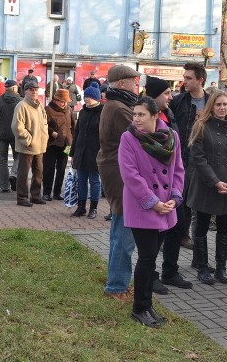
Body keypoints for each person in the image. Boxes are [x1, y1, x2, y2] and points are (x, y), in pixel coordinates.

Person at [119, 96, 185, 327]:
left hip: (166, 206)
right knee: (147, 257)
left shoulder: (172, 137)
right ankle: (139, 308)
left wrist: (175, 198)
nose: (136, 119)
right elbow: (130, 176)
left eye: (141, 115)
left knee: (152, 257)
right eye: (134, 114)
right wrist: (152, 201)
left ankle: (147, 305)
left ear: (155, 116)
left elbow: (178, 170)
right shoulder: (128, 138)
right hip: (143, 206)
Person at [187, 91, 227, 285]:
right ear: (211, 106)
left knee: (223, 228)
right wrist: (215, 182)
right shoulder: (201, 126)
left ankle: (221, 267)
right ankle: (202, 267)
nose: (222, 108)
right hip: (205, 185)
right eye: (218, 104)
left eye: (224, 104)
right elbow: (199, 159)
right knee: (201, 227)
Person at [144, 75, 192, 290]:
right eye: (166, 93)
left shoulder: (169, 115)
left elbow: (177, 153)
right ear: (155, 97)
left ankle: (170, 271)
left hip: (172, 185)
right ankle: (151, 275)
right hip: (154, 187)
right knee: (155, 234)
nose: (170, 96)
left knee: (177, 227)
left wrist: (177, 188)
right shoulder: (145, 121)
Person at [97, 64, 141, 299]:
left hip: (113, 169)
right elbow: (139, 138)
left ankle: (117, 281)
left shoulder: (115, 104)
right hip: (119, 172)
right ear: (122, 83)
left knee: (119, 228)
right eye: (134, 81)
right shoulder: (120, 108)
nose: (137, 86)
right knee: (124, 233)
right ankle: (116, 286)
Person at [168, 62, 210, 246]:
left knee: (200, 202)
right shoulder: (178, 101)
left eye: (188, 78)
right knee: (181, 198)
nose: (184, 81)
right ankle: (180, 235)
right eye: (184, 77)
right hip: (182, 158)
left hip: (204, 159)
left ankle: (198, 245)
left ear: (200, 80)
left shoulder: (212, 102)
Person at [12, 78, 49, 207]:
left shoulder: (39, 106)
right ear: (25, 91)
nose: (34, 92)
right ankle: (22, 197)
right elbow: (17, 127)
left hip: (39, 145)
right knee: (23, 173)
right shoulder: (21, 106)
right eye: (31, 90)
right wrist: (28, 140)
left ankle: (35, 195)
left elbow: (44, 123)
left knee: (38, 172)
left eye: (36, 90)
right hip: (27, 146)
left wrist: (45, 138)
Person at [69, 82, 103, 218]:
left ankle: (93, 208)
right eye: (85, 96)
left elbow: (104, 135)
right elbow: (76, 133)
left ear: (96, 97)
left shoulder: (102, 112)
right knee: (81, 180)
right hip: (81, 152)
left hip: (95, 153)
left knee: (94, 181)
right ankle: (81, 207)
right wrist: (72, 153)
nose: (86, 99)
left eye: (89, 96)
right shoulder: (82, 112)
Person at [0, 78, 21, 193]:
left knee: (2, 160)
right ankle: (14, 174)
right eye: (16, 87)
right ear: (13, 88)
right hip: (16, 134)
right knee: (18, 157)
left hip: (1, 134)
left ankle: (4, 186)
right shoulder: (20, 100)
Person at [42, 88, 75, 201]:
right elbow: (43, 125)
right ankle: (46, 192)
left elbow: (73, 126)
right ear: (55, 99)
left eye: (66, 101)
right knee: (49, 169)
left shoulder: (69, 110)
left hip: (66, 144)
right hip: (52, 144)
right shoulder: (48, 109)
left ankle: (57, 192)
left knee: (61, 169)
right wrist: (52, 132)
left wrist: (72, 140)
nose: (64, 103)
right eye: (62, 101)